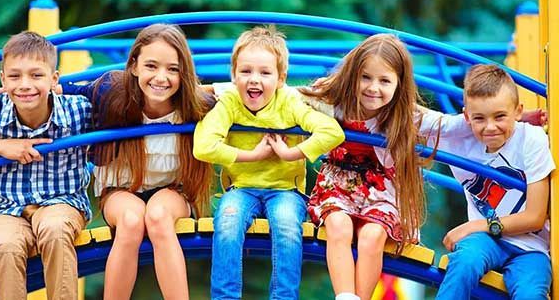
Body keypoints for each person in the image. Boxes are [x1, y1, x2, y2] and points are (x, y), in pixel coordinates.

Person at [301, 34, 462, 300]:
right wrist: (215, 92)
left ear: (399, 84)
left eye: (384, 80)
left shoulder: (405, 115)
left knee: (372, 236)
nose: (373, 88)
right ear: (353, 75)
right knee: (338, 226)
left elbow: (454, 126)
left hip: (382, 193)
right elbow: (280, 96)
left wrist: (510, 116)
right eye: (366, 77)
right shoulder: (333, 101)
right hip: (339, 188)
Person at [62, 24, 214, 300]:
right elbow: (61, 90)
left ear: (184, 74)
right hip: (122, 191)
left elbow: (245, 94)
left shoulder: (195, 105)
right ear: (133, 66)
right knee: (131, 221)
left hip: (173, 191)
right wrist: (10, 91)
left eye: (173, 69)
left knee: (158, 217)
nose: (161, 77)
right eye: (151, 66)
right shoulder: (111, 92)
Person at [193, 25, 345, 300]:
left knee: (287, 225)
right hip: (242, 188)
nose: (254, 80)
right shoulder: (229, 103)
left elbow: (333, 132)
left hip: (285, 190)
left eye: (265, 73)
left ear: (281, 78)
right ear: (233, 75)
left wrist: (289, 154)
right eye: (246, 71)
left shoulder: (289, 102)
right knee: (227, 222)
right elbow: (202, 146)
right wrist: (253, 156)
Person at [0, 31, 93, 300]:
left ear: (55, 79)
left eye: (36, 75)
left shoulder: (79, 110)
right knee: (6, 246)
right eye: (15, 76)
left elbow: (124, 102)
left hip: (61, 201)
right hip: (5, 207)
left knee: (55, 231)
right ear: (3, 79)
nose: (25, 84)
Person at [433, 64, 554, 299]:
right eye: (479, 118)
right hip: (486, 241)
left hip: (531, 247)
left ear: (518, 111)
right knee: (465, 262)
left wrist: (471, 226)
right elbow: (409, 117)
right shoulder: (458, 141)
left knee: (531, 293)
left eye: (500, 116)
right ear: (466, 116)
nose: (490, 127)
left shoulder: (531, 139)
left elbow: (535, 217)